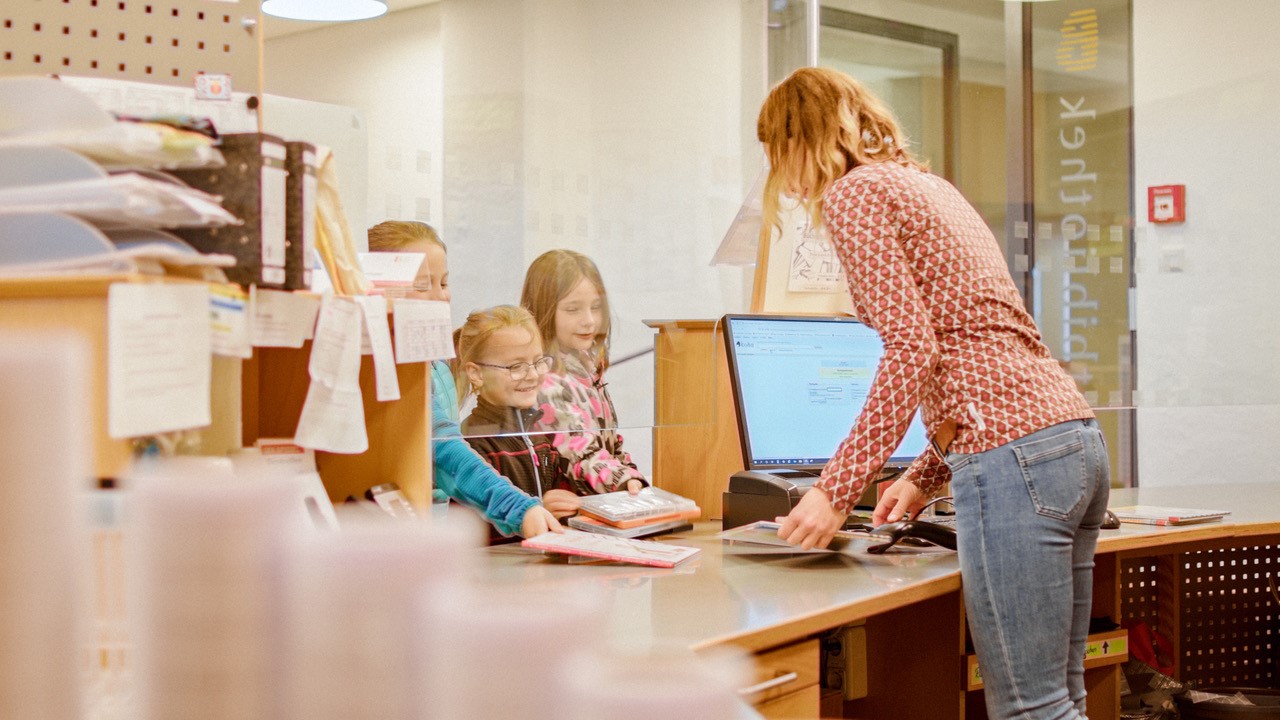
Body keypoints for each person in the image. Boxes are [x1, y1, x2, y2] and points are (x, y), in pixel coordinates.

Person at [759, 68, 1109, 720]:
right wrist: (922, 477)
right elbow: (977, 344)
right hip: (1072, 439)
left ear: (800, 139)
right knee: (1063, 701)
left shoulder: (854, 194)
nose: (778, 174)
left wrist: (835, 491)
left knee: (1031, 709)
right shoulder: (928, 186)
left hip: (1015, 459)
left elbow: (913, 349)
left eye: (776, 150)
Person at [367, 221, 560, 539]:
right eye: (421, 285)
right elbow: (446, 454)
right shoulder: (385, 368)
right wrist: (518, 508)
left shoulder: (435, 367)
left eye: (443, 283)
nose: (439, 297)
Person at [520, 249, 646, 520]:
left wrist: (633, 480)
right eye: (573, 309)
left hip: (596, 508)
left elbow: (611, 445)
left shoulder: (587, 371)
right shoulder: (546, 381)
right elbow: (579, 450)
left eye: (596, 307)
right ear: (543, 311)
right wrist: (624, 481)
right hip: (566, 516)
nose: (589, 320)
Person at [456, 304, 580, 540]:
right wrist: (533, 514)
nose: (532, 375)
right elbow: (470, 533)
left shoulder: (540, 435)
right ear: (476, 373)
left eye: (538, 362)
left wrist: (567, 502)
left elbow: (557, 492)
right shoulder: (472, 445)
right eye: (516, 366)